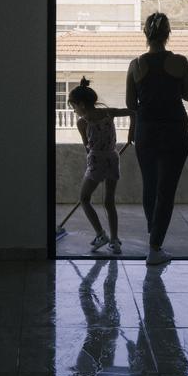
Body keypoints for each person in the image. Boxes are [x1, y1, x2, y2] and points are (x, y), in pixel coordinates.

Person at [125, 12, 188, 265]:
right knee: (167, 190)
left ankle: (153, 239)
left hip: (147, 130)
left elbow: (131, 103)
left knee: (150, 185)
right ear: (168, 34)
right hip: (175, 129)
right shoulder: (180, 62)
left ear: (145, 34)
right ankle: (155, 246)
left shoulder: (136, 65)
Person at [68, 77, 135, 254]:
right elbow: (133, 113)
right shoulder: (109, 113)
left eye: (74, 106)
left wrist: (91, 162)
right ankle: (115, 241)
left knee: (84, 198)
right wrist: (131, 134)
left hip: (96, 161)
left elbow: (86, 147)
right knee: (109, 202)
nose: (74, 111)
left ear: (81, 104)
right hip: (112, 159)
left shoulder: (82, 123)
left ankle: (100, 234)